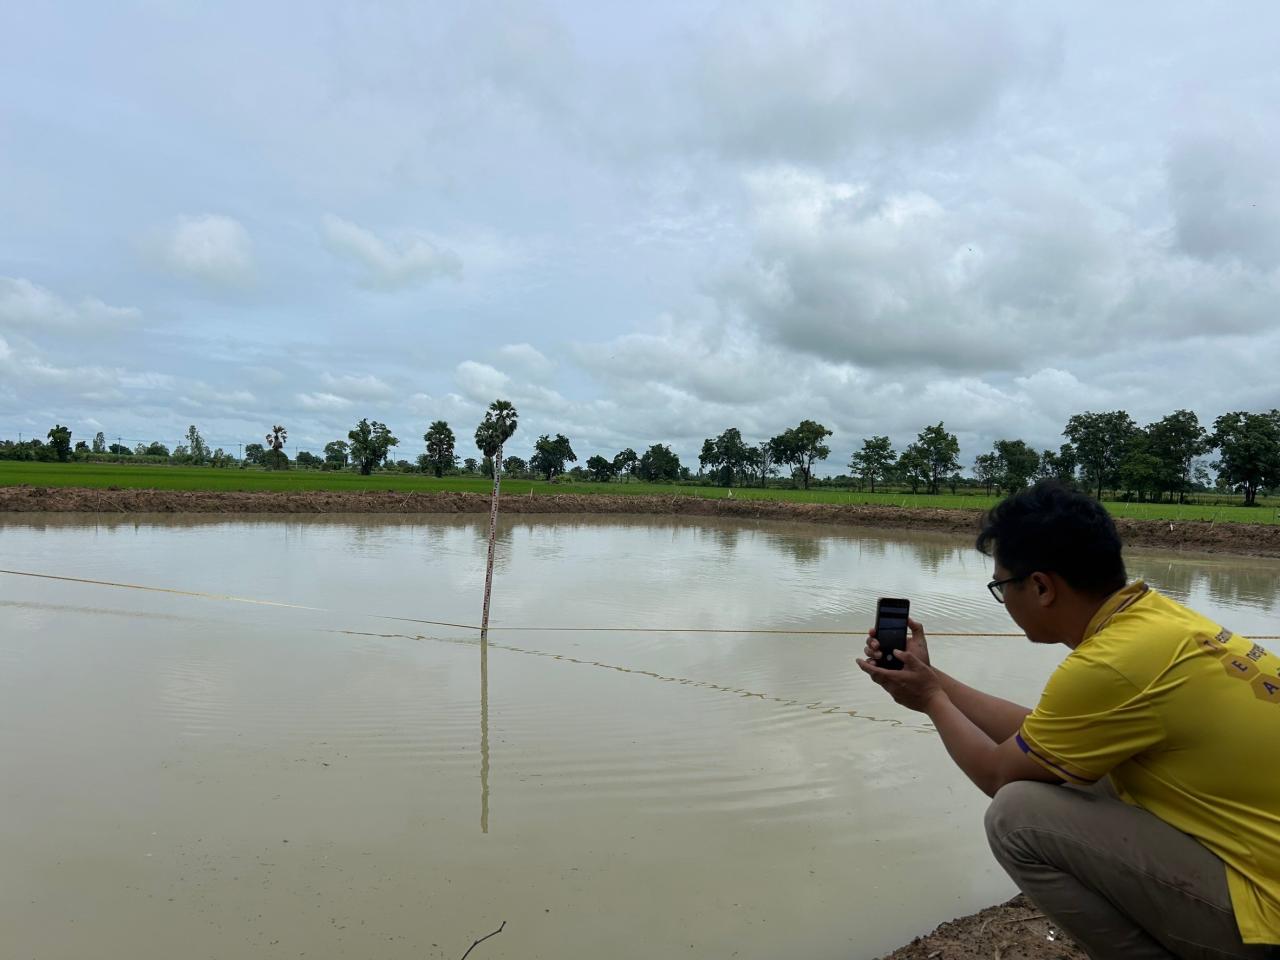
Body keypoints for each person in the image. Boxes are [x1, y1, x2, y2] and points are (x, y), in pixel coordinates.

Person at [857, 481, 1280, 959]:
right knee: (1071, 774)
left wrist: (930, 700)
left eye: (1001, 586)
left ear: (1040, 586)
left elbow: (999, 774)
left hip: (1270, 909)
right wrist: (932, 679)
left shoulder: (1110, 663)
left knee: (1016, 816)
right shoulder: (1160, 621)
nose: (1004, 600)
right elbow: (1045, 740)